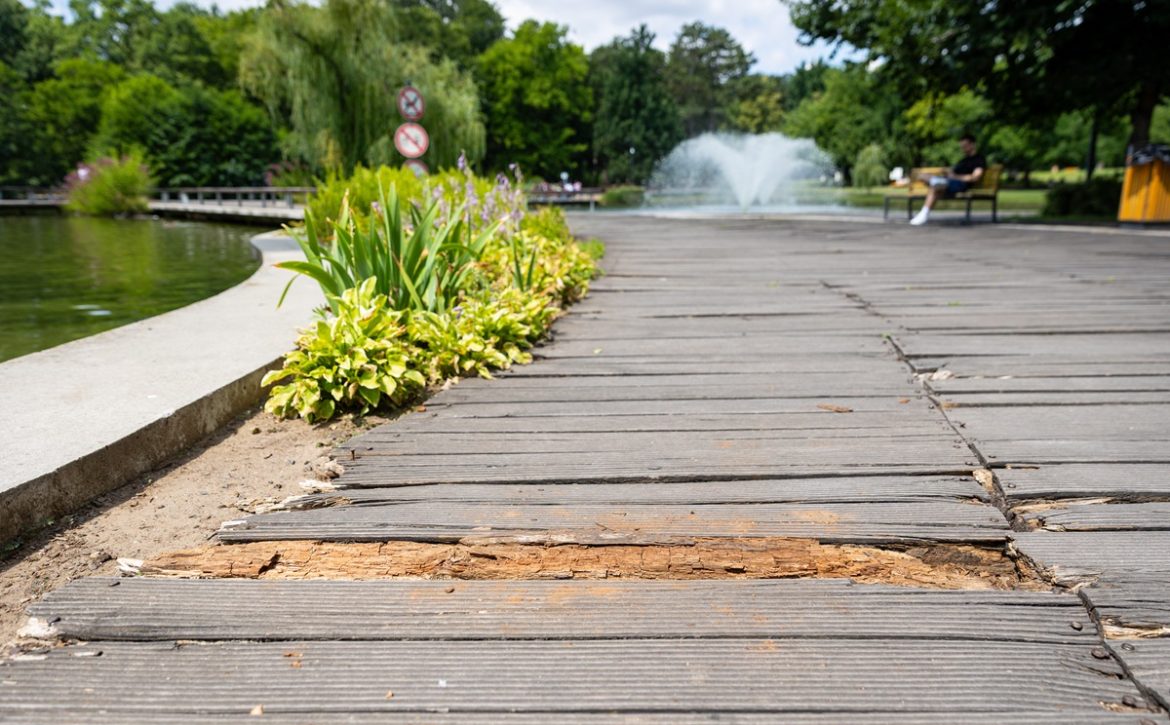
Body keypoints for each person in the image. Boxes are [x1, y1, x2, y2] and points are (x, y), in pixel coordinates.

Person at [910, 134, 987, 225]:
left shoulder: (979, 160)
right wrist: (947, 172)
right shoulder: (964, 160)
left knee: (935, 187)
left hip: (960, 184)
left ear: (972, 144)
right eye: (962, 147)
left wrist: (955, 177)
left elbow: (975, 177)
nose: (963, 149)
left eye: (965, 146)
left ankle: (924, 213)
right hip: (949, 181)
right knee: (923, 176)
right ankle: (938, 182)